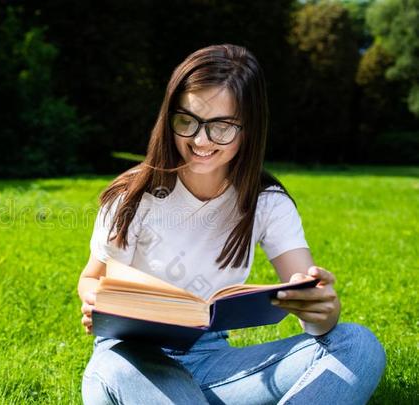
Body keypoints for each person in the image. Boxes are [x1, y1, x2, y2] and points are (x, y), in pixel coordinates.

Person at [77, 44, 386, 405]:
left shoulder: (266, 202)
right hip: (131, 358)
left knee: (357, 344)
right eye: (187, 120)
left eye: (221, 126)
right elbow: (91, 277)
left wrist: (323, 310)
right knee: (120, 370)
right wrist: (96, 299)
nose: (200, 140)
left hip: (211, 361)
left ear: (248, 127)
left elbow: (307, 295)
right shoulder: (134, 195)